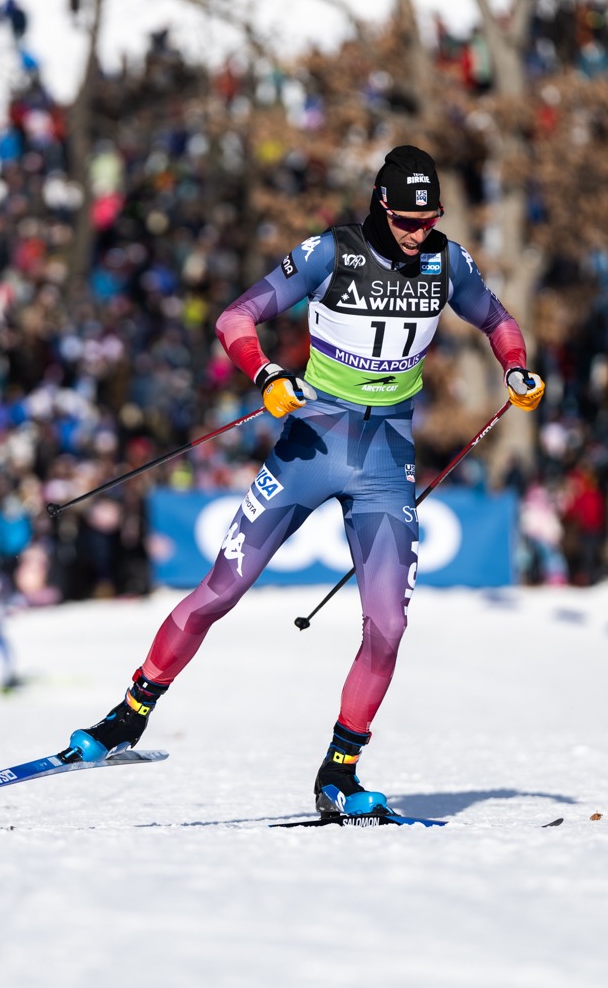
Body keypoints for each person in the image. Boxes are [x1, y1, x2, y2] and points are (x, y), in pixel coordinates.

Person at [59, 146, 545, 818]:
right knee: (220, 590)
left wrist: (516, 367)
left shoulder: (447, 262)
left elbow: (498, 320)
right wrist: (267, 376)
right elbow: (234, 319)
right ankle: (129, 715)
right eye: (405, 219)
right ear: (381, 204)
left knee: (389, 625)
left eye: (427, 219)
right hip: (311, 445)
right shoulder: (330, 254)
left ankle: (339, 773)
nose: (416, 232)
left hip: (386, 459)